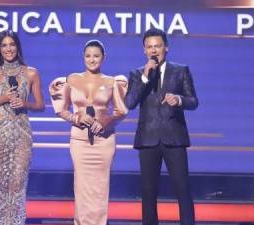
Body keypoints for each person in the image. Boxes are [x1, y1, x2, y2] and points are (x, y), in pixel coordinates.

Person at [49, 40, 128, 225]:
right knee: (82, 186)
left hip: (104, 141)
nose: (92, 60)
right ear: (83, 57)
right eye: (88, 56)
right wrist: (76, 118)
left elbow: (121, 112)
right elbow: (61, 109)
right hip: (79, 141)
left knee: (100, 187)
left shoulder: (112, 82)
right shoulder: (71, 79)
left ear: (103, 58)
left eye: (96, 56)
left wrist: (105, 122)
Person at [125, 28, 198, 225]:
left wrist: (180, 99)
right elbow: (129, 103)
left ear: (166, 47)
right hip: (148, 139)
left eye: (157, 46)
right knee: (148, 193)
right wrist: (145, 77)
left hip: (174, 138)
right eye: (149, 47)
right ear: (144, 50)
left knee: (183, 189)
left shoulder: (181, 70)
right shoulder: (137, 74)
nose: (153, 50)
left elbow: (194, 101)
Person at [0, 30, 44, 225]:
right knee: (0, 185)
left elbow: (40, 105)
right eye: (4, 45)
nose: (9, 49)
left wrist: (25, 104)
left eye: (12, 44)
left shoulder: (31, 73)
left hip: (22, 134)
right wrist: (2, 99)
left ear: (17, 47)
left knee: (17, 183)